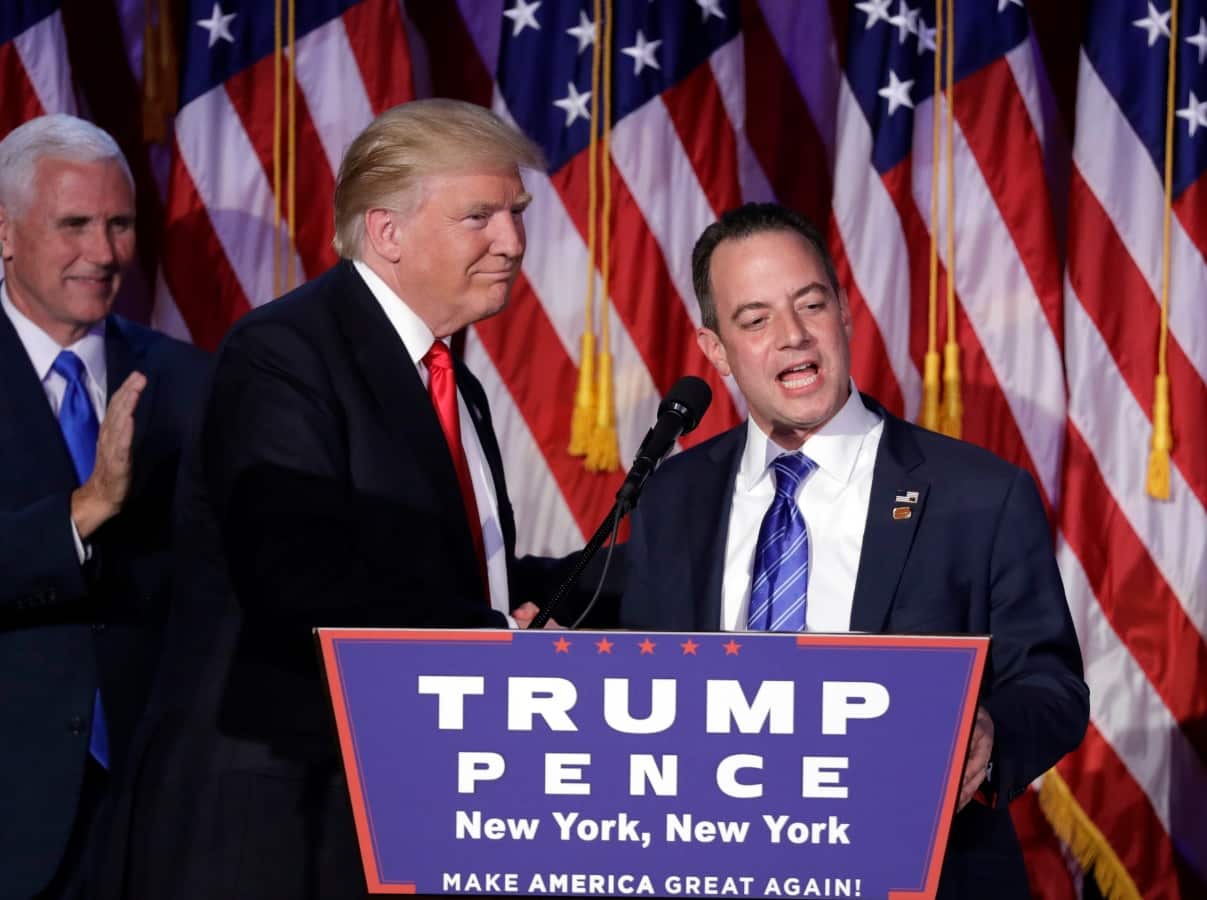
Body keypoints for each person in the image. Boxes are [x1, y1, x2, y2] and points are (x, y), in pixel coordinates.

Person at [126, 98, 565, 900]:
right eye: (480, 216)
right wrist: (495, 636)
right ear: (386, 232)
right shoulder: (285, 354)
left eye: (515, 213)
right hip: (279, 821)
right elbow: (299, 581)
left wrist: (638, 570)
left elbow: (458, 577)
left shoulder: (446, 376)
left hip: (399, 805)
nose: (512, 241)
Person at [619, 202, 1089, 898]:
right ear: (715, 350)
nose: (792, 338)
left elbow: (1052, 688)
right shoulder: (673, 495)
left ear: (843, 313)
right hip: (713, 869)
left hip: (923, 873)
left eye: (809, 305)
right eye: (754, 320)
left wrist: (989, 737)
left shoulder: (977, 494)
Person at [0, 114, 209, 899]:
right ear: (6, 232)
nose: (104, 252)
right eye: (75, 224)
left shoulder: (189, 382)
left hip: (156, 811)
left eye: (119, 224)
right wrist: (84, 512)